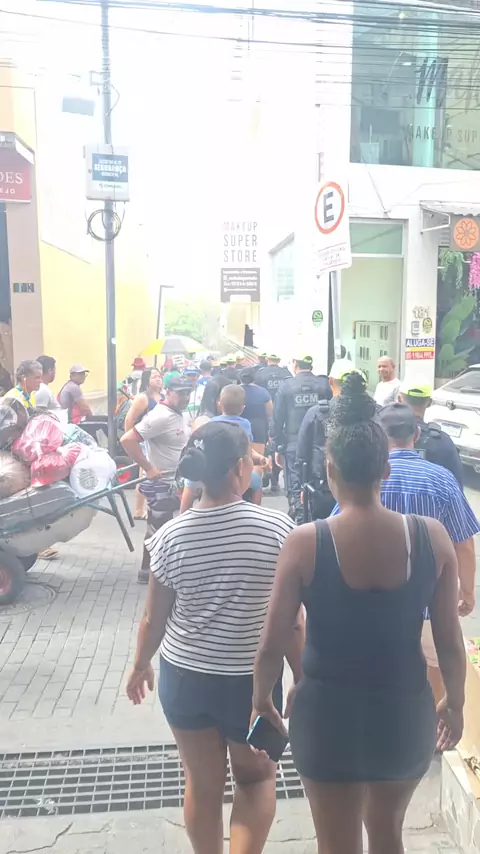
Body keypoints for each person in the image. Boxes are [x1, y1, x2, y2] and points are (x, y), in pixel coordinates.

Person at [253, 373, 466, 854]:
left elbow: (272, 639)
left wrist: (261, 699)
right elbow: (450, 641)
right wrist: (454, 702)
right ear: (385, 469)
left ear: (329, 468)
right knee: (388, 832)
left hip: (326, 715)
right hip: (403, 711)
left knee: (336, 842)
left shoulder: (305, 543)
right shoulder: (430, 538)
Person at [126, 420, 300, 854]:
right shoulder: (278, 530)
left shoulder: (170, 537)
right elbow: (293, 623)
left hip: (186, 678)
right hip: (253, 683)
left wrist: (140, 665)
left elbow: (153, 620)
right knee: (255, 779)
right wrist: (302, 677)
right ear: (241, 467)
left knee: (202, 783)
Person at [121, 377, 191, 584]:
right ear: (167, 392)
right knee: (156, 531)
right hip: (161, 484)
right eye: (181, 393)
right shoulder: (160, 416)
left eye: (188, 393)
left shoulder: (180, 413)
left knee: (169, 531)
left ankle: (162, 571)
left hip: (176, 484)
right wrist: (148, 468)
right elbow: (127, 439)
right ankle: (147, 573)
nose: (185, 397)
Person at [180, 384, 266, 511]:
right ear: (242, 408)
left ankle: (183, 512)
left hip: (211, 467)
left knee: (189, 484)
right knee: (257, 481)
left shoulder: (211, 423)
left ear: (219, 404)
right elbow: (248, 449)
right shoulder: (245, 425)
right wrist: (259, 458)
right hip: (233, 469)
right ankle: (256, 509)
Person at [295, 360, 359, 523]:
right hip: (362, 489)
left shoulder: (316, 413)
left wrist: (302, 485)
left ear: (331, 381)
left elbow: (302, 454)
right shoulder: (371, 412)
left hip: (323, 489)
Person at [272, 355, 331, 519]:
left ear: (295, 364)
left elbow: (277, 419)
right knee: (320, 485)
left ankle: (300, 520)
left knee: (296, 485)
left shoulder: (286, 386)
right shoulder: (323, 385)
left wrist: (277, 446)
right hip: (320, 445)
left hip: (294, 445)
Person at [398, 381, 463, 486]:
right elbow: (457, 485)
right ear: (429, 403)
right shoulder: (444, 442)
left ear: (399, 399)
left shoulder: (384, 436)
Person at [124, 368, 164, 521]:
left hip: (157, 441)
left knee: (149, 475)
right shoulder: (143, 398)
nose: (158, 379)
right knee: (145, 474)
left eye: (159, 376)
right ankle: (140, 509)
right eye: (154, 377)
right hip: (144, 440)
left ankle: (144, 508)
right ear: (147, 380)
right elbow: (129, 419)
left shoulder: (162, 396)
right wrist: (130, 441)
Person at [240, 368, 273, 455]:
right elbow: (270, 412)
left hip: (239, 427)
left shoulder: (234, 391)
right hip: (259, 427)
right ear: (254, 378)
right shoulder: (263, 392)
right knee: (258, 458)